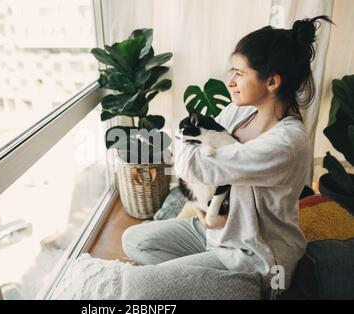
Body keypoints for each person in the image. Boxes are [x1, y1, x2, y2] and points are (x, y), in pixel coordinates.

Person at [122, 15, 334, 298]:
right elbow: (190, 149)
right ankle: (201, 282)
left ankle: (241, 288)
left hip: (252, 257)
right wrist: (192, 146)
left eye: (239, 73)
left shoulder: (287, 143)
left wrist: (191, 141)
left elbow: (193, 163)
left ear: (272, 81)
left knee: (141, 288)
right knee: (135, 240)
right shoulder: (241, 111)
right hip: (213, 232)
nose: (231, 82)